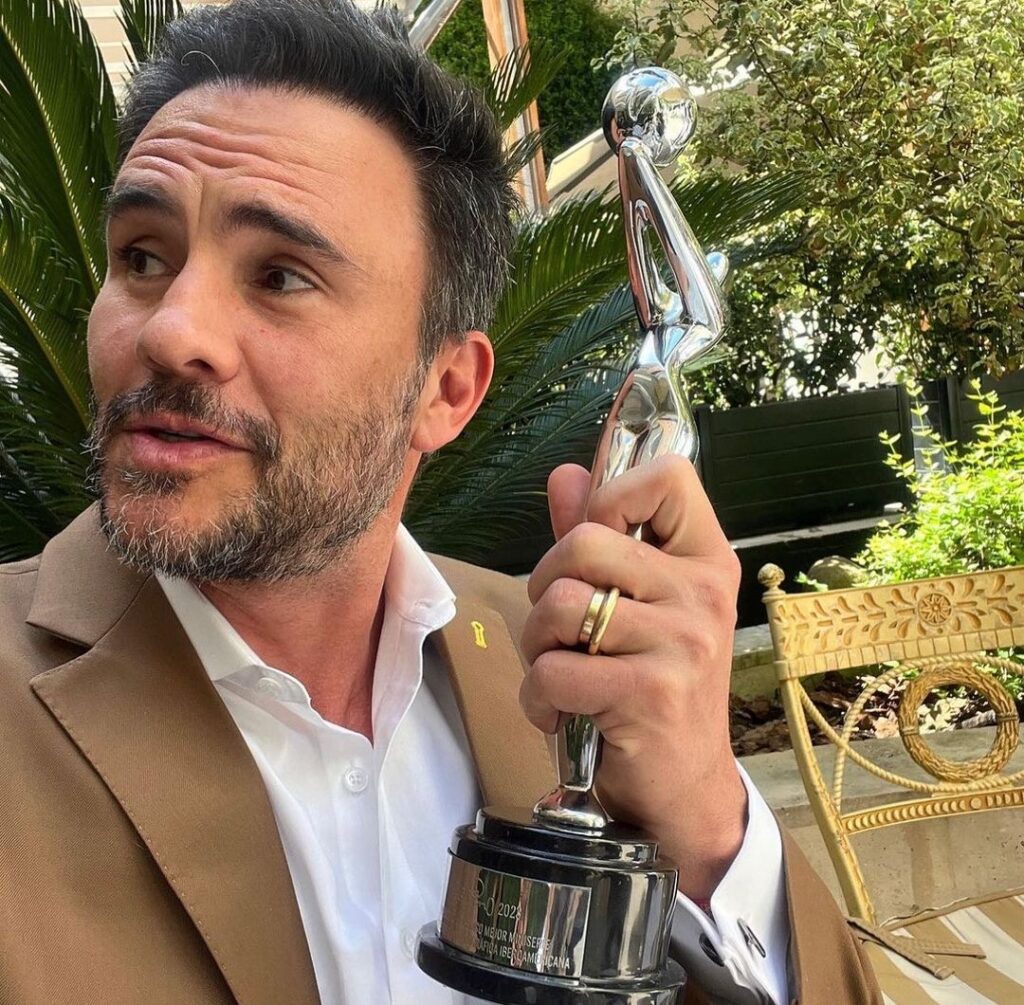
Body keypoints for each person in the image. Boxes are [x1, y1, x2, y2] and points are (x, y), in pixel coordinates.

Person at [0, 2, 880, 1003]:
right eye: (142, 258)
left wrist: (709, 823)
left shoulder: (570, 678)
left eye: (280, 275)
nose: (169, 331)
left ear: (447, 389)